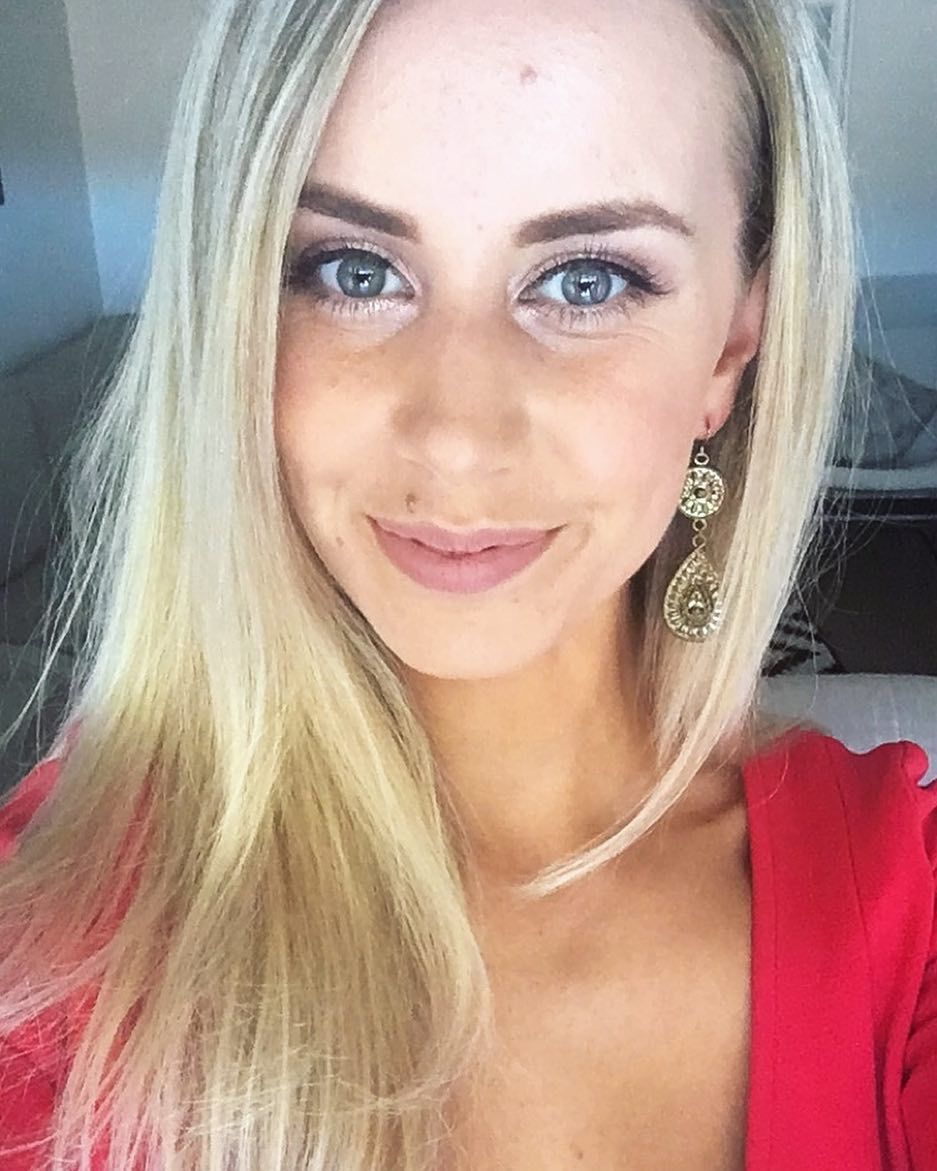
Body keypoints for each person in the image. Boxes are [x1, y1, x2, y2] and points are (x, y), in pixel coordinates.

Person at [0, 0, 934, 1167]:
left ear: (731, 348)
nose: (455, 436)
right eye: (352, 270)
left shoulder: (903, 916)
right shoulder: (61, 946)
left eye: (586, 281)